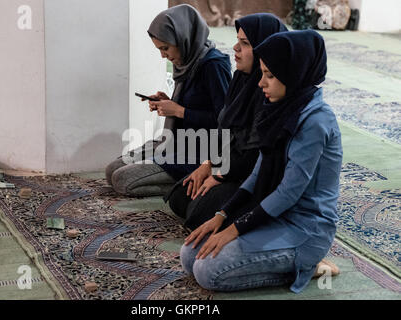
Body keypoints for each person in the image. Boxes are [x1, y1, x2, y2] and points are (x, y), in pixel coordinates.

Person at [180, 30, 343, 294]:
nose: (260, 84)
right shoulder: (279, 109)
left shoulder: (315, 121)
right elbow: (256, 174)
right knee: (190, 255)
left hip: (305, 229)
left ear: (293, 74)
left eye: (269, 75)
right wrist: (221, 216)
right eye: (262, 73)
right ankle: (286, 260)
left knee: (208, 272)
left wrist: (234, 229)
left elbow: (289, 192)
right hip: (274, 217)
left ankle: (307, 264)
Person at [165, 13, 288, 231]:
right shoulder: (240, 79)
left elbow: (255, 153)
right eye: (237, 41)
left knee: (197, 213)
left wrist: (220, 175)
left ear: (264, 47)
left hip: (251, 176)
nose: (235, 48)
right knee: (178, 198)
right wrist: (208, 165)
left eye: (245, 43)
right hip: (226, 162)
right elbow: (223, 131)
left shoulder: (271, 90)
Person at [105, 4, 232, 197]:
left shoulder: (213, 65)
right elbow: (196, 101)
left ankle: (199, 180)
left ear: (183, 38)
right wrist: (169, 102)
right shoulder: (188, 60)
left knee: (122, 180)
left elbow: (226, 121)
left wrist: (179, 111)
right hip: (175, 141)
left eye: (165, 48)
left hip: (199, 150)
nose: (163, 55)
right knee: (111, 170)